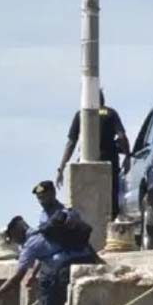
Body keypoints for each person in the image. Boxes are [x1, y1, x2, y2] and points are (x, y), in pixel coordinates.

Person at [56, 90, 132, 219]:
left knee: (86, 198)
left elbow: (71, 143)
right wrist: (127, 155)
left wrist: (61, 168)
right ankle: (110, 221)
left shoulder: (81, 114)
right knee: (111, 196)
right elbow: (122, 136)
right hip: (110, 161)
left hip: (87, 162)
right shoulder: (110, 113)